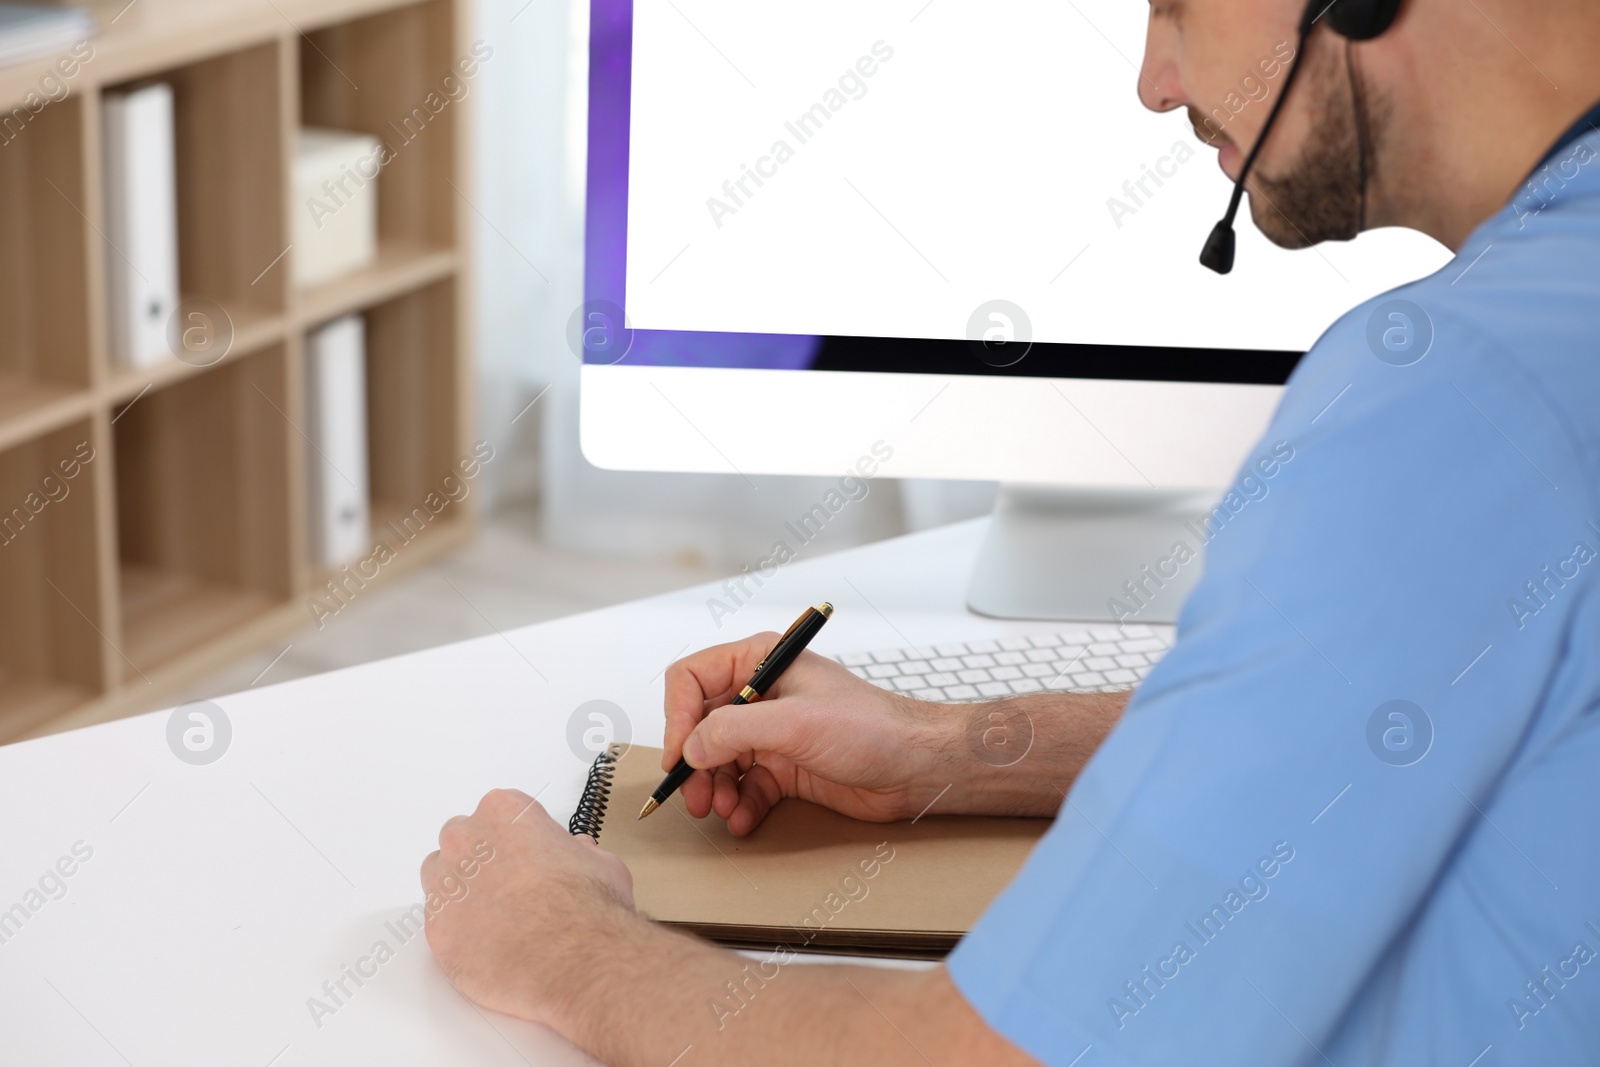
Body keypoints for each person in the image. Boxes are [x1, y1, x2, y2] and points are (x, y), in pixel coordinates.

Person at [420, 0, 1600, 1062]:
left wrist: (564, 942)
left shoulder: (1454, 392)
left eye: (1175, 2)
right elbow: (1382, 745)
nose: (1152, 78)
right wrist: (949, 749)